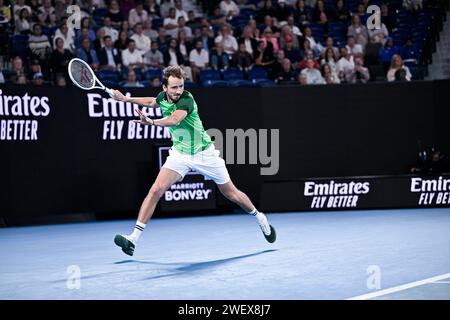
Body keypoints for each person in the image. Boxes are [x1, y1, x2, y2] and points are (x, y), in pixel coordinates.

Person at [110, 65, 276, 256]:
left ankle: (259, 217)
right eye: (174, 87)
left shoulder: (187, 99)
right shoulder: (162, 97)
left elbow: (173, 120)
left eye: (181, 86)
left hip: (205, 154)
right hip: (180, 154)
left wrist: (152, 122)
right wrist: (126, 99)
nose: (178, 90)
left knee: (231, 193)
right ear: (164, 88)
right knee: (156, 189)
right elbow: (151, 101)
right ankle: (133, 239)